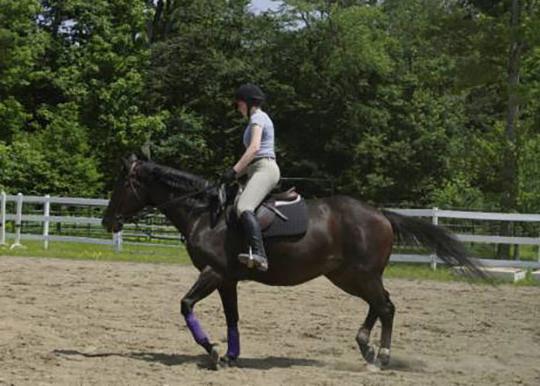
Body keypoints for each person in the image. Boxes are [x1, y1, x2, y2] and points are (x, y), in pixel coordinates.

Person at [221, 84, 280, 271]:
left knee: (244, 206)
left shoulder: (258, 118)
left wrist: (234, 169)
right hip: (255, 169)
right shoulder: (255, 119)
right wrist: (232, 176)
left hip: (265, 168)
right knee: (235, 205)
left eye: (238, 104)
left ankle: (259, 254)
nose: (238, 108)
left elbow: (254, 149)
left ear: (247, 103)